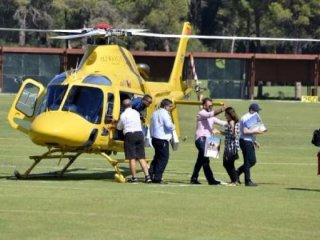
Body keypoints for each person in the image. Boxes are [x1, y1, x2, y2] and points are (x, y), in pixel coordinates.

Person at [190, 97, 227, 185]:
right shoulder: (201, 113)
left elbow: (223, 123)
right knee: (206, 160)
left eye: (212, 104)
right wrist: (222, 109)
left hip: (210, 140)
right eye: (209, 104)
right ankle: (211, 180)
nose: (211, 106)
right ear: (204, 105)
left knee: (201, 160)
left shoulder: (212, 117)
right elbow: (210, 115)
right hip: (201, 138)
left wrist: (234, 121)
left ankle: (194, 178)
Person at [116, 99, 152, 183]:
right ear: (131, 105)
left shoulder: (123, 115)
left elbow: (119, 127)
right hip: (139, 134)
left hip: (130, 135)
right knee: (141, 157)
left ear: (123, 106)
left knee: (132, 158)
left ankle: (134, 177)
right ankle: (147, 177)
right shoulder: (136, 113)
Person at [237, 103, 266, 187]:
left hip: (248, 141)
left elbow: (251, 130)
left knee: (252, 161)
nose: (258, 113)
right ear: (251, 110)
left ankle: (237, 172)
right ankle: (247, 181)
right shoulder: (246, 118)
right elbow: (245, 131)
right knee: (248, 161)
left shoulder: (251, 118)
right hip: (245, 141)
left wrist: (254, 141)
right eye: (256, 111)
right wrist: (257, 132)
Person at [149, 98, 175, 183]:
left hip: (154, 138)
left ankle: (151, 174)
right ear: (165, 106)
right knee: (163, 159)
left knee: (157, 157)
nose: (171, 108)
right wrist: (173, 126)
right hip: (162, 138)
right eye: (170, 106)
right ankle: (157, 177)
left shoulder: (155, 112)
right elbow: (168, 125)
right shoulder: (165, 113)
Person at [220, 107, 240, 185]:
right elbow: (228, 133)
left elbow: (235, 135)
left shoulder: (234, 123)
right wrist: (218, 131)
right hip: (228, 146)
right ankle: (234, 180)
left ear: (229, 114)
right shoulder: (229, 122)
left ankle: (235, 181)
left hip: (232, 147)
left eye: (225, 114)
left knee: (228, 163)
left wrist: (232, 126)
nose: (225, 115)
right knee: (227, 164)